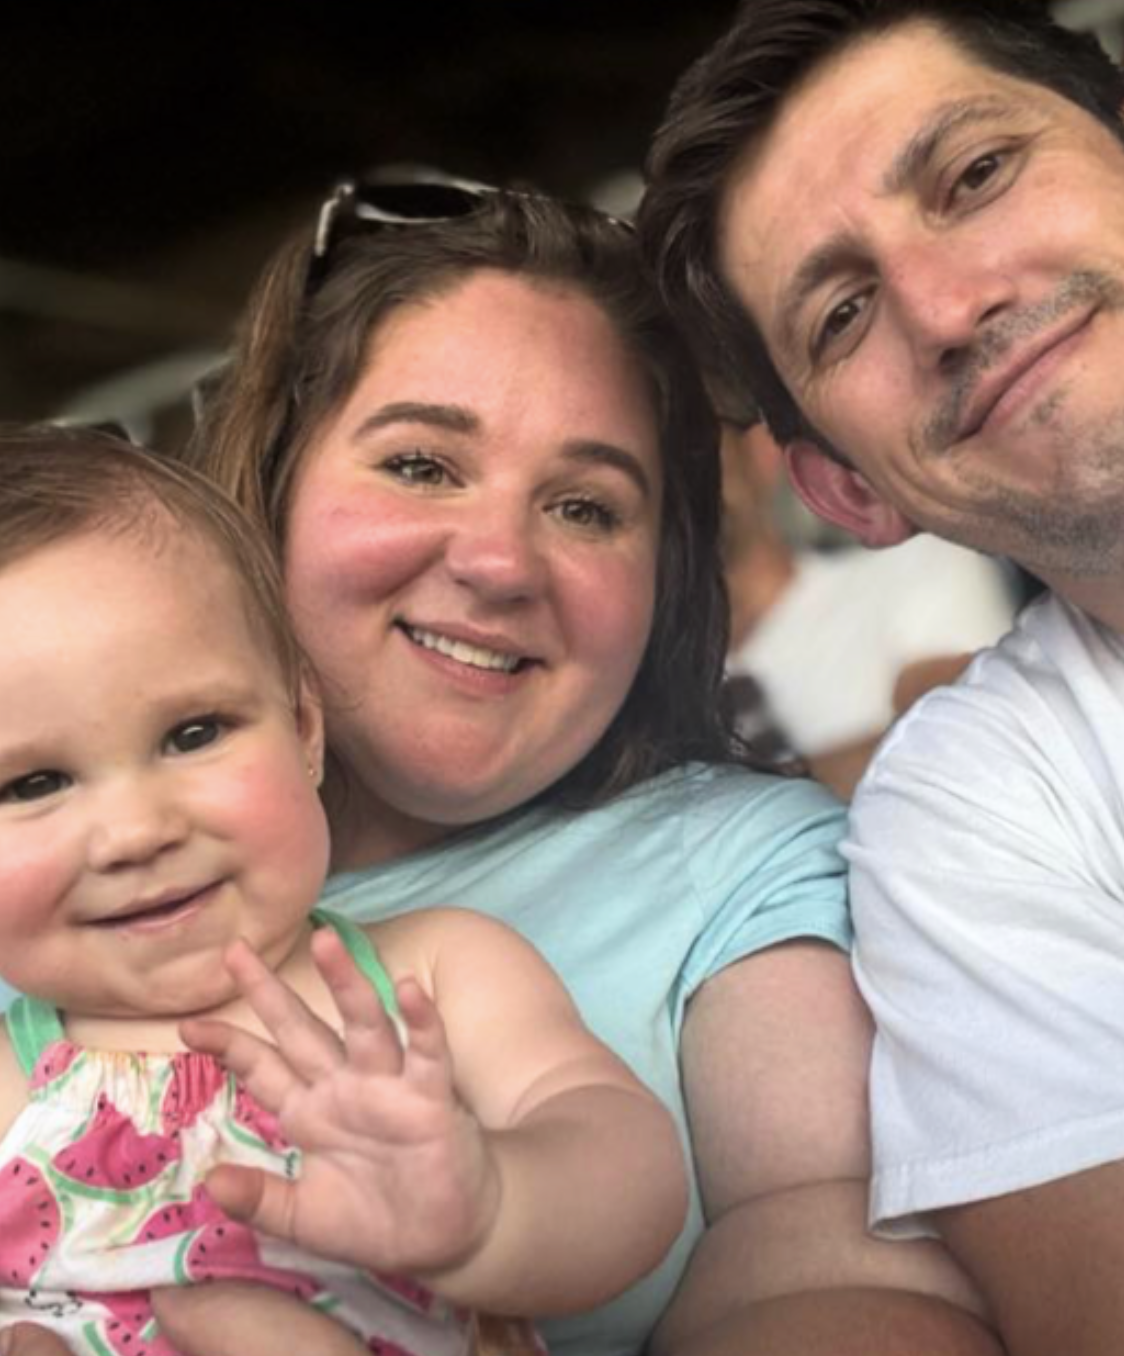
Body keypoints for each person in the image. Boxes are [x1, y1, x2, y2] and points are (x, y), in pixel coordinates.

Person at [163, 172, 1001, 1356]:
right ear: (270, 483)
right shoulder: (63, 881)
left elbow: (839, 1276)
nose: (500, 561)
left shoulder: (734, 867)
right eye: (419, 465)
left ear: (665, 577)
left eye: (585, 507)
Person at [640, 1, 1124, 1351]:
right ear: (848, 486)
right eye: (843, 313)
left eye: (975, 173)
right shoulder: (969, 814)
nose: (948, 305)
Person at [0, 423, 688, 1355]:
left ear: (305, 729)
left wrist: (490, 1206)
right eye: (33, 785)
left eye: (194, 733)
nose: (137, 832)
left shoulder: (434, 976)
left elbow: (626, 1165)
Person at [719, 419, 1017, 798]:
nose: (673, 484)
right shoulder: (649, 684)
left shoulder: (916, 567)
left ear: (760, 453)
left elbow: (966, 740)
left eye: (691, 448)